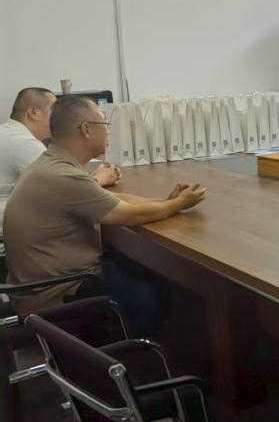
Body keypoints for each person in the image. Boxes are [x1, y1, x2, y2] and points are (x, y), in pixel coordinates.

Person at [3, 97, 206, 334]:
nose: (109, 131)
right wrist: (178, 204)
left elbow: (114, 199)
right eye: (104, 123)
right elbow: (126, 214)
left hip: (44, 284)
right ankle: (124, 352)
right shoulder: (62, 175)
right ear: (86, 129)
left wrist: (166, 202)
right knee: (153, 296)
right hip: (58, 293)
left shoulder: (53, 163)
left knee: (139, 270)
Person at [1, 88, 119, 240]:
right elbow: (62, 188)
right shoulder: (25, 143)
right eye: (53, 111)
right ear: (33, 112)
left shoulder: (6, 131)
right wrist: (98, 179)